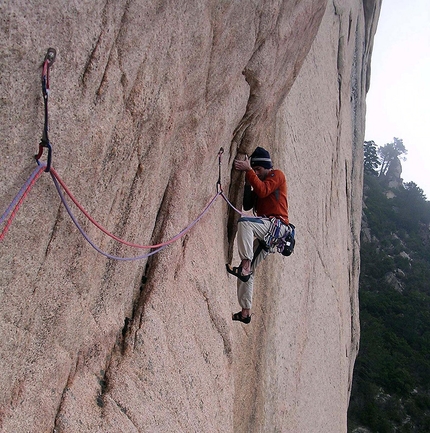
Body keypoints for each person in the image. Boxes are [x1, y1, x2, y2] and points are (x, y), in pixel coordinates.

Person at [226, 147, 289, 324]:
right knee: (248, 273)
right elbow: (247, 204)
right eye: (255, 170)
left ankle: (244, 266)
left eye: (258, 170)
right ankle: (245, 312)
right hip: (269, 232)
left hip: (277, 227)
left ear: (266, 167)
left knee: (245, 222)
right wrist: (247, 182)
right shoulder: (259, 180)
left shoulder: (277, 175)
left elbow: (262, 190)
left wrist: (248, 171)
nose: (257, 173)